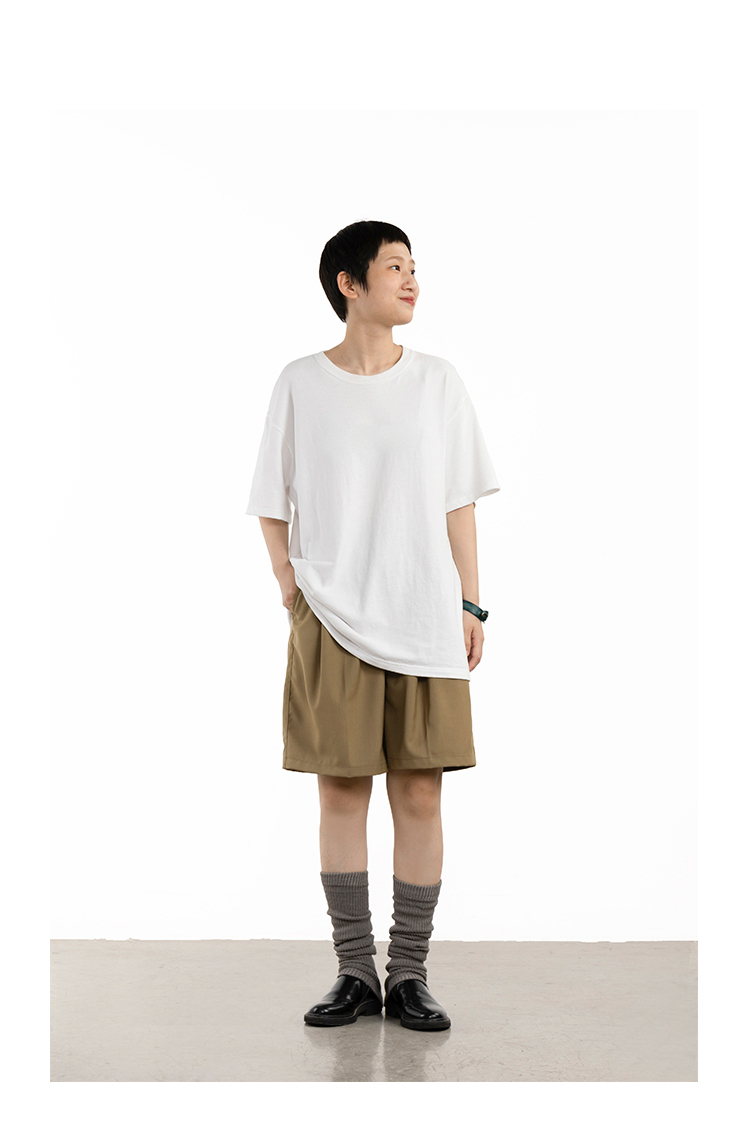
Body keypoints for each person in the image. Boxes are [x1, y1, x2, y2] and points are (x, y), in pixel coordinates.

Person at [245, 220, 500, 1032]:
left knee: (421, 790)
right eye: (395, 266)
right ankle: (355, 970)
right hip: (332, 615)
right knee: (342, 788)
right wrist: (290, 585)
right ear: (349, 283)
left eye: (414, 266)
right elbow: (270, 497)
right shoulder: (300, 382)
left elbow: (458, 500)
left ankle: (410, 973)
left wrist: (471, 602)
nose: (412, 279)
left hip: (423, 610)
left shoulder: (437, 382)